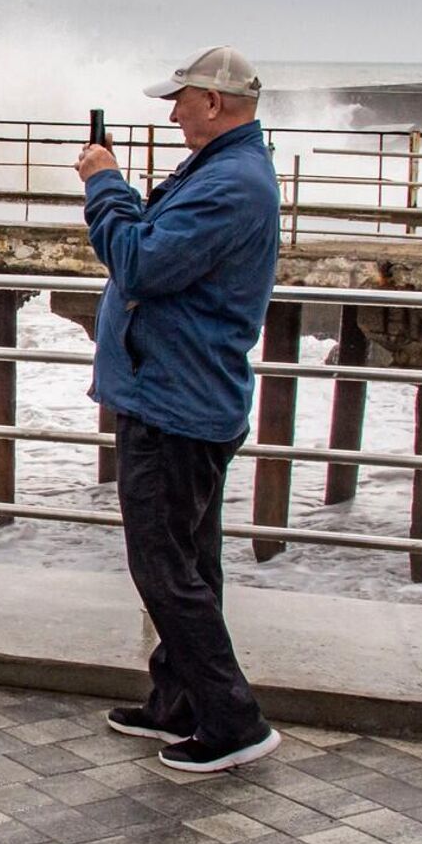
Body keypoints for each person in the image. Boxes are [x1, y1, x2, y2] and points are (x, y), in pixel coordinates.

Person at [72, 45, 282, 773]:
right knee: (189, 561)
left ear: (214, 103)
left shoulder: (231, 183)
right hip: (180, 391)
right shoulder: (224, 170)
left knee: (163, 566)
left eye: (181, 99)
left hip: (175, 402)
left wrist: (104, 186)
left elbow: (141, 262)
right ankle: (178, 701)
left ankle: (233, 720)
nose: (172, 111)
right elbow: (157, 248)